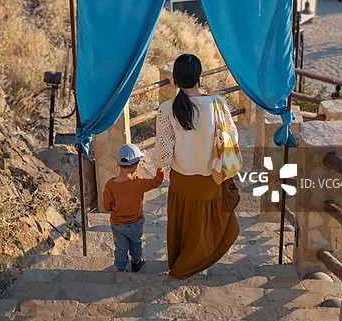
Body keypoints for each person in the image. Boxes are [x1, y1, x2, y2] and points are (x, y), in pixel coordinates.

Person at [156, 53, 240, 279]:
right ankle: (198, 263)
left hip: (181, 179)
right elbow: (232, 139)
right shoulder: (218, 105)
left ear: (175, 78)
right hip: (209, 178)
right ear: (199, 76)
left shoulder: (166, 109)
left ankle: (183, 262)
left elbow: (164, 155)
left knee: (183, 223)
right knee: (203, 226)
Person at [102, 144, 164, 272]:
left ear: (118, 164)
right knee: (136, 243)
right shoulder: (139, 183)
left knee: (120, 247)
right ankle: (136, 262)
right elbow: (156, 182)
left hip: (117, 224)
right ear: (136, 165)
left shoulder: (110, 185)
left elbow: (106, 207)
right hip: (136, 223)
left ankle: (121, 269)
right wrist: (160, 168)